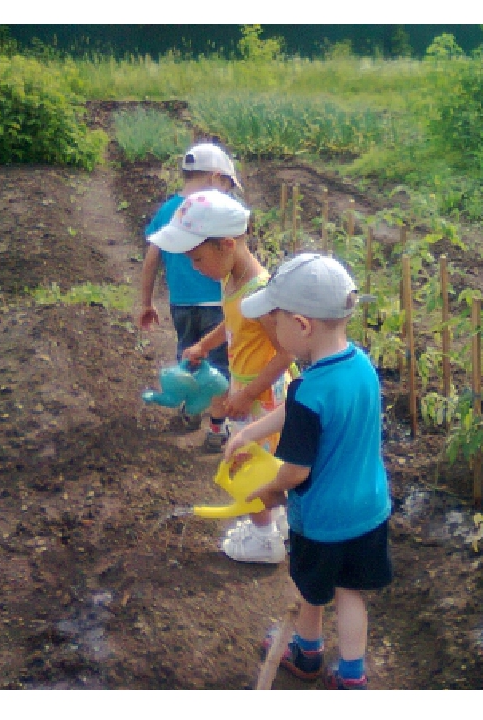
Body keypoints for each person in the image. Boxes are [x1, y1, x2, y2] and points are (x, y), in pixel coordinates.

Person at [223, 252, 392, 690]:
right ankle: (352, 676)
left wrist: (271, 489)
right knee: (351, 592)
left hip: (322, 520)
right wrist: (250, 432)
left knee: (309, 588)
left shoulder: (308, 389)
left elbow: (296, 470)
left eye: (274, 323)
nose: (272, 333)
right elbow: (301, 415)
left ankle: (306, 651)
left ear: (301, 325)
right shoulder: (361, 366)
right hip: (369, 508)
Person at [147, 189, 296, 563]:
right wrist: (202, 345)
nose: (195, 267)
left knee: (244, 463)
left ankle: (266, 540)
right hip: (249, 385)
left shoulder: (258, 291)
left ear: (227, 245)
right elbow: (232, 323)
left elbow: (287, 350)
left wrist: (247, 395)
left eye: (197, 258)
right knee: (256, 461)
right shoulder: (232, 281)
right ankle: (272, 523)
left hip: (264, 395)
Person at [137, 143, 240, 448]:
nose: (227, 191)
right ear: (215, 177)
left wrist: (146, 302)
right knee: (220, 365)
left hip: (180, 302)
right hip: (217, 302)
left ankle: (189, 410)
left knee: (189, 354)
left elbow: (152, 257)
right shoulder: (215, 211)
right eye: (226, 184)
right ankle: (217, 429)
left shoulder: (169, 209)